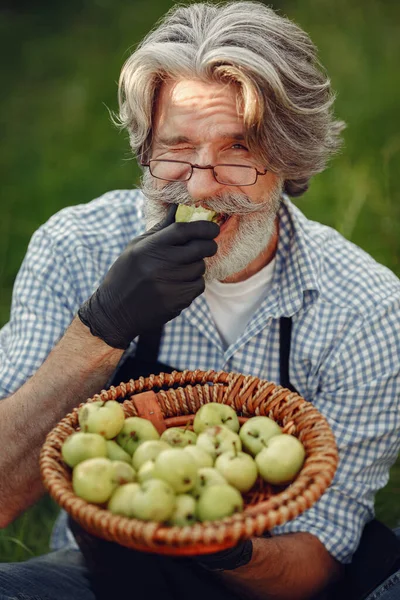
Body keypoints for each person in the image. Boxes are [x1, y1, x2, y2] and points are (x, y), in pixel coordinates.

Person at [0, 2, 399, 599]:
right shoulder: (76, 248)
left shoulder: (365, 309)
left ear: (288, 160)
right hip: (103, 574)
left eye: (238, 149)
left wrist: (221, 544)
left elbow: (317, 562)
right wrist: (103, 326)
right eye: (177, 147)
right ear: (144, 150)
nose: (200, 185)